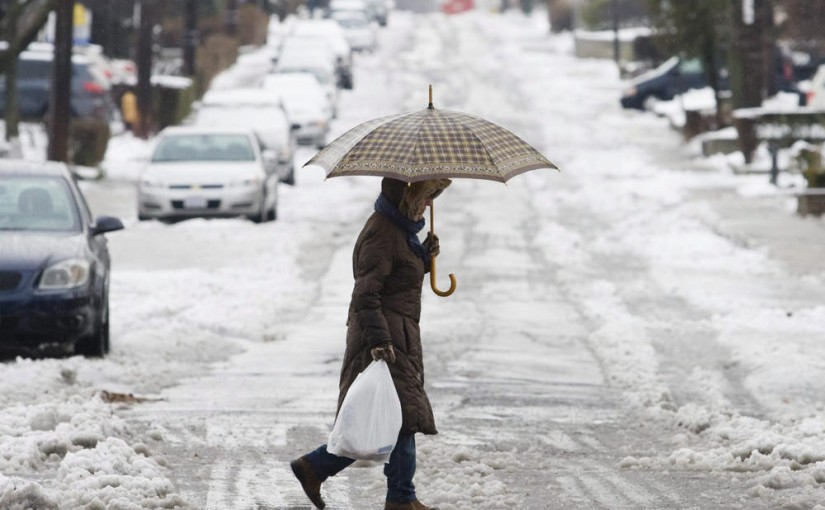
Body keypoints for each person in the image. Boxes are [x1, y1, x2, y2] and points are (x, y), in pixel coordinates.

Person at [291, 177, 452, 510]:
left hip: (398, 335)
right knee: (402, 417)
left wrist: (422, 257)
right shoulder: (382, 232)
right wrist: (380, 340)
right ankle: (400, 498)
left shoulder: (400, 230)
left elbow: (397, 278)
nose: (428, 204)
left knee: (390, 417)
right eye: (424, 197)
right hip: (382, 338)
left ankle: (316, 468)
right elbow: (366, 293)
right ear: (406, 195)